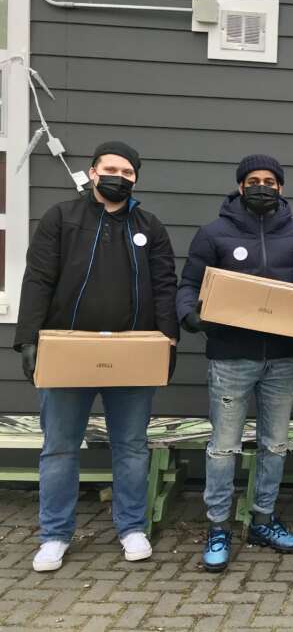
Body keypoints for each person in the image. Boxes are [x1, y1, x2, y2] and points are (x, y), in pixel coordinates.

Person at [15, 141, 179, 572]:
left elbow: (165, 285)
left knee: (132, 447)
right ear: (92, 172)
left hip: (132, 353)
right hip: (68, 351)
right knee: (60, 448)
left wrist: (169, 340)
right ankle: (54, 535)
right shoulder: (61, 218)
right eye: (111, 169)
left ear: (135, 179)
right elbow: (38, 278)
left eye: (127, 173)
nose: (118, 178)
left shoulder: (149, 226)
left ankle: (132, 527)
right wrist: (28, 338)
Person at [176, 155, 293, 572]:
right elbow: (188, 285)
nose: (262, 187)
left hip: (281, 358)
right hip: (230, 357)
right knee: (223, 448)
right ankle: (218, 526)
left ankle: (263, 519)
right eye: (253, 180)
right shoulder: (213, 233)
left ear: (281, 188)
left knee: (275, 445)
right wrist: (190, 315)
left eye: (270, 181)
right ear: (240, 186)